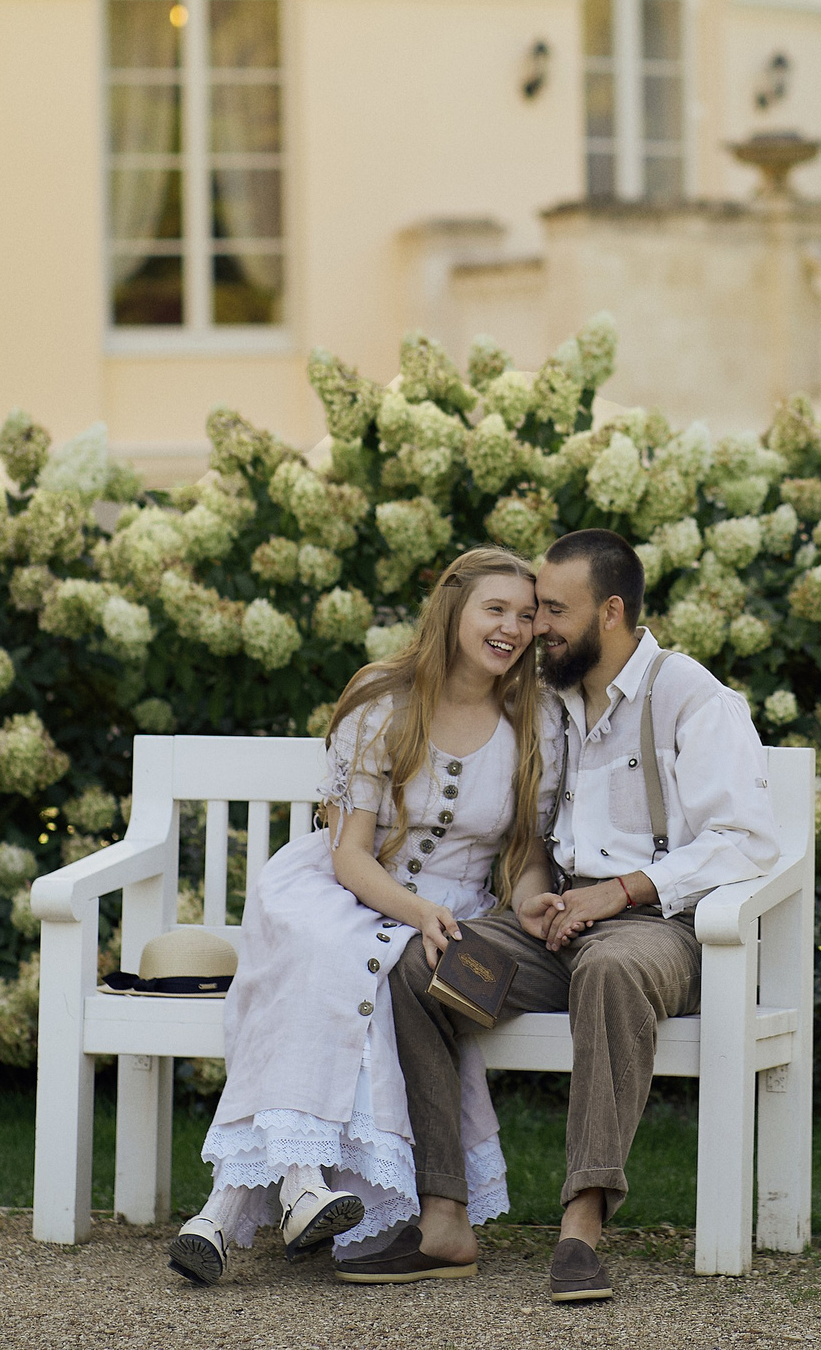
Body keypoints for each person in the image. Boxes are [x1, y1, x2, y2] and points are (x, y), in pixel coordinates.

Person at [357, 528, 777, 1304]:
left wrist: (621, 892)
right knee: (424, 965)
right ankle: (444, 1217)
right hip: (555, 934)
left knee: (611, 968)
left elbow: (746, 841)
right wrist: (535, 896)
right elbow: (530, 839)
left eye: (553, 610)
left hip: (658, 931)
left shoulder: (689, 695)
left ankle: (581, 1226)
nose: (535, 626)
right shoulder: (550, 700)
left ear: (610, 611)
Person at [167, 546, 549, 1288]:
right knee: (336, 959)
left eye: (526, 614)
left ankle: (231, 1208)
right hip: (352, 886)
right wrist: (417, 910)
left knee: (377, 974)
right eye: (496, 609)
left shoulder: (529, 721)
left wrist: (532, 900)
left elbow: (529, 856)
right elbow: (350, 855)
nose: (512, 627)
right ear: (454, 610)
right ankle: (299, 1183)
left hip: (453, 912)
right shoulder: (385, 703)